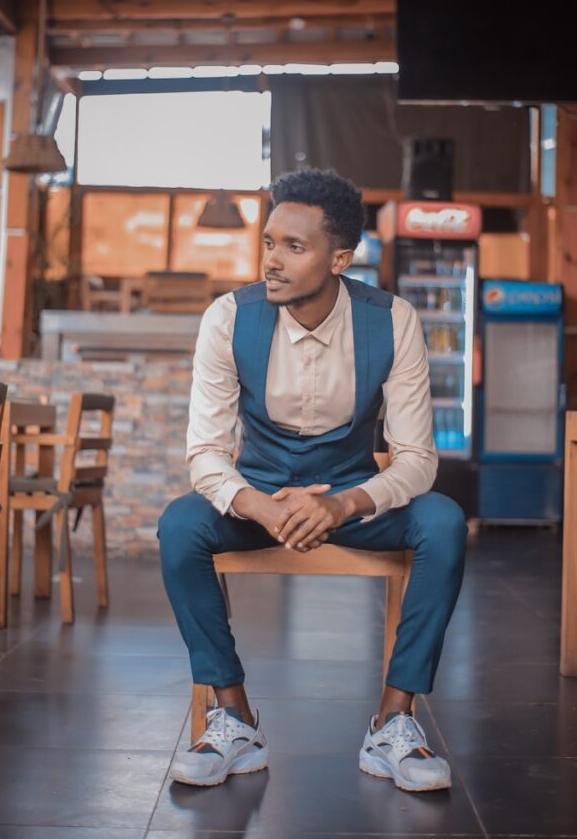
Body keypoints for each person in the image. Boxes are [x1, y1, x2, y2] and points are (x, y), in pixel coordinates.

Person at [158, 168, 467, 792]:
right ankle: (234, 717)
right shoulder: (227, 318)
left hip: (353, 503)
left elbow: (416, 458)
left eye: (294, 248)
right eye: (270, 243)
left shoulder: (393, 320)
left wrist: (347, 504)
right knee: (180, 525)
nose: (272, 261)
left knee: (444, 521)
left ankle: (393, 721)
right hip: (259, 502)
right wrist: (260, 507)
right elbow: (206, 453)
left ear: (340, 258)